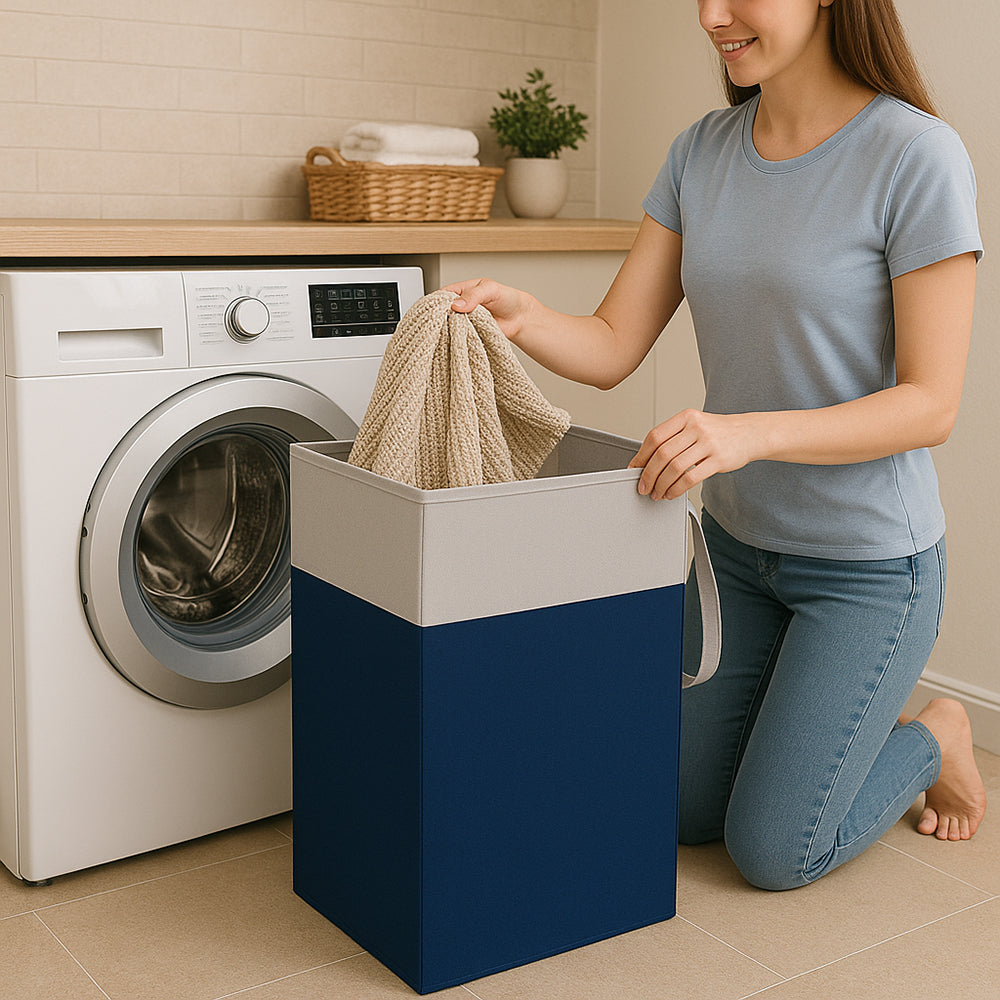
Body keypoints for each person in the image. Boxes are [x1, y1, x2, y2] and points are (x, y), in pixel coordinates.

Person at [446, 0, 987, 890]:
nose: (711, 14)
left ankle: (937, 737)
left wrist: (745, 434)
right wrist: (525, 316)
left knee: (773, 852)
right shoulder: (702, 152)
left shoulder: (915, 154)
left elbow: (931, 405)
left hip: (867, 571)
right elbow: (617, 342)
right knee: (681, 811)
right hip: (736, 556)